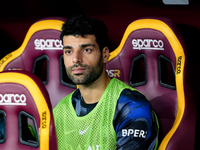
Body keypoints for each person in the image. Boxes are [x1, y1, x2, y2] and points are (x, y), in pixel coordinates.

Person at [53, 15, 158, 150]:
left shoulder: (132, 107)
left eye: (86, 50)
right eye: (68, 51)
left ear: (105, 54)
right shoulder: (61, 110)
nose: (76, 59)